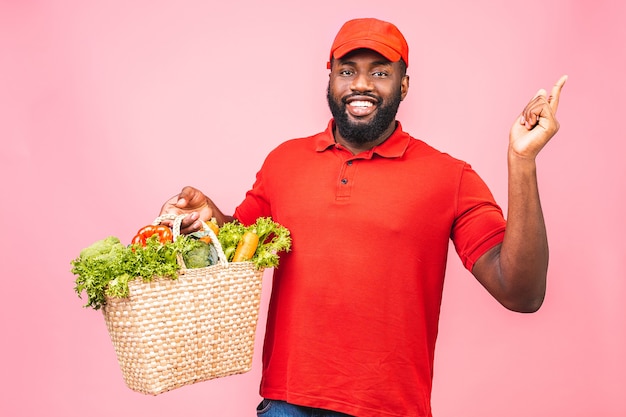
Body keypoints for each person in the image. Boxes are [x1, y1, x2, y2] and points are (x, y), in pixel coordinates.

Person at [160, 18, 567, 417]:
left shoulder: (450, 176)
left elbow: (521, 293)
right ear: (331, 79)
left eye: (380, 72)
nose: (360, 84)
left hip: (388, 409)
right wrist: (210, 219)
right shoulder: (283, 161)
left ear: (403, 85)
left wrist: (522, 160)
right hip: (286, 403)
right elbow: (240, 247)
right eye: (348, 70)